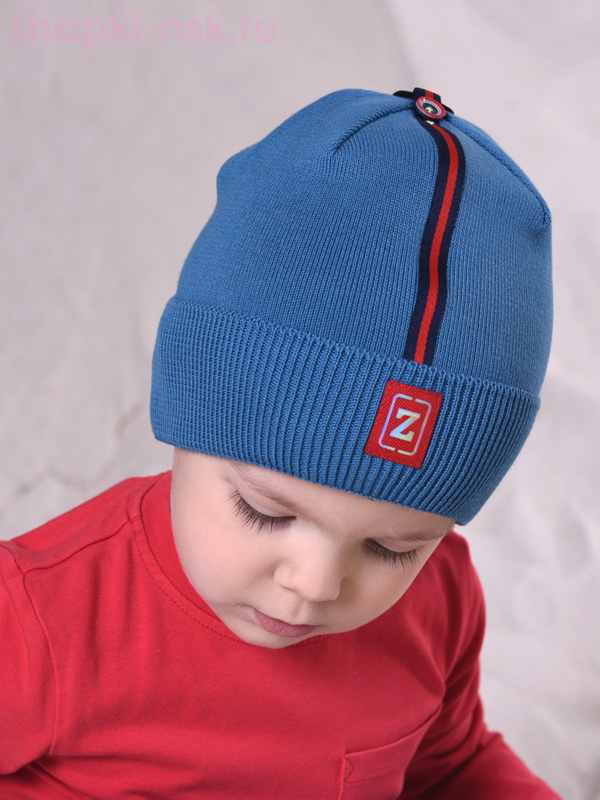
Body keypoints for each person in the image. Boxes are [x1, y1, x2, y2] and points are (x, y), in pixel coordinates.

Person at [0, 87, 562, 799]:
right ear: (185, 418)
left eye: (392, 548)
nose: (316, 584)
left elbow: (450, 765)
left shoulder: (440, 598)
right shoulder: (39, 618)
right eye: (266, 511)